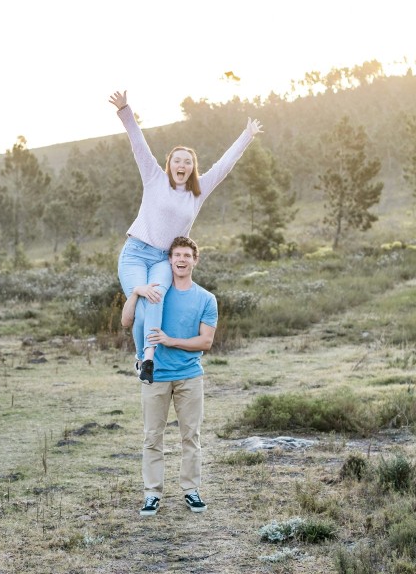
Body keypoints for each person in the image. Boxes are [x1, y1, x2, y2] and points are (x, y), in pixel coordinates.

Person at [109, 89, 262, 385]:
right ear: (169, 164)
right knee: (141, 307)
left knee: (155, 299)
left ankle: (149, 359)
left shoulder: (198, 191)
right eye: (177, 160)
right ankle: (141, 356)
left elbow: (224, 166)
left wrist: (247, 135)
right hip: (136, 253)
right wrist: (125, 110)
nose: (182, 165)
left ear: (193, 167)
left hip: (163, 259)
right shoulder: (154, 179)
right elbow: (138, 145)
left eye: (188, 162)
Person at [122, 236, 217, 516]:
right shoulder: (156, 292)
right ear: (169, 260)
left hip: (189, 375)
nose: (181, 259)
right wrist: (137, 292)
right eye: (176, 254)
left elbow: (206, 342)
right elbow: (127, 321)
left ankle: (191, 491)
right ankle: (152, 494)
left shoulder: (206, 299)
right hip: (156, 377)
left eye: (187, 255)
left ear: (195, 260)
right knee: (153, 437)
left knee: (191, 436)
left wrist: (170, 340)